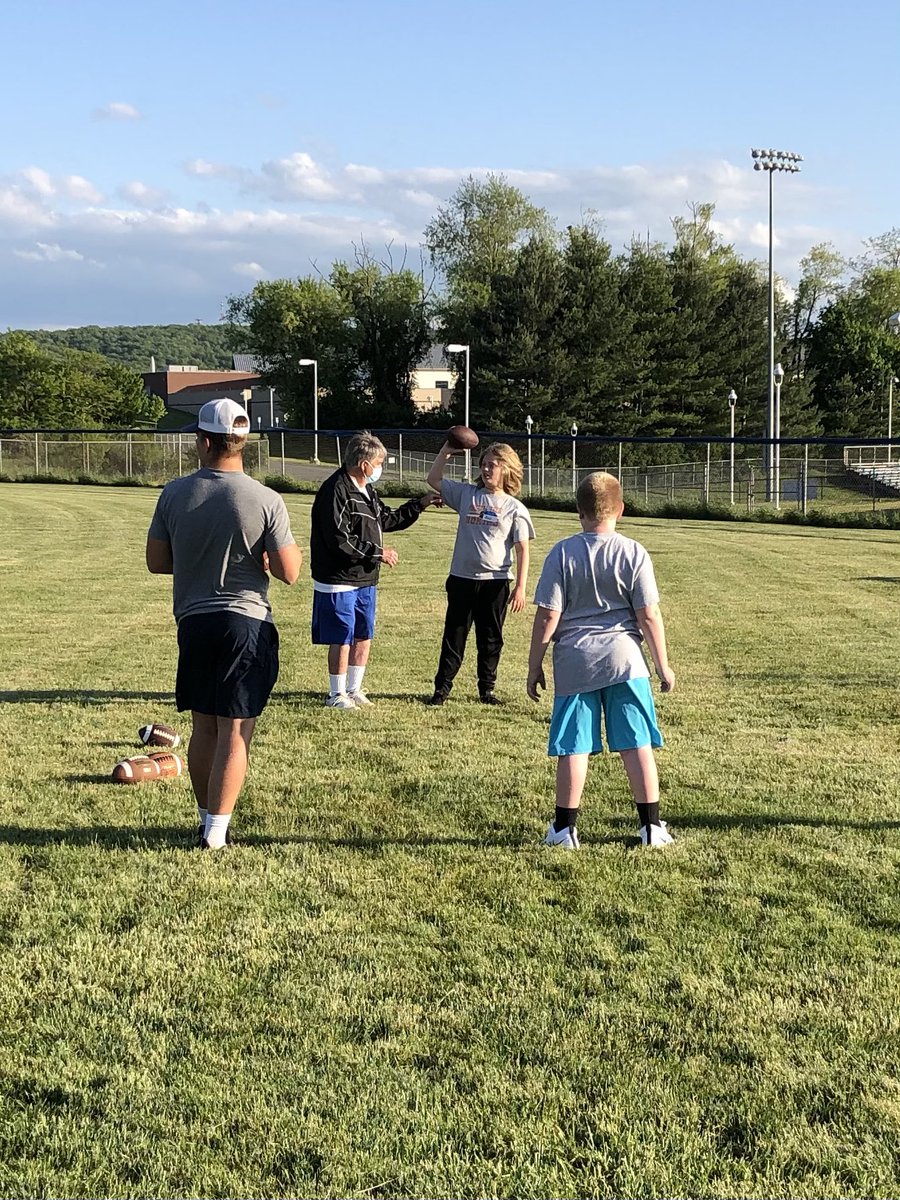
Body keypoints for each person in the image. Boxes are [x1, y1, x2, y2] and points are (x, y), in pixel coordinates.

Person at [146, 397, 302, 850]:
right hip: (247, 623)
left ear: (203, 440)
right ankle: (216, 833)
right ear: (242, 441)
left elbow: (157, 562)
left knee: (205, 727)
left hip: (194, 622)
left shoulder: (174, 493)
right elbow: (291, 572)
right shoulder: (266, 498)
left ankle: (205, 819)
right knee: (236, 729)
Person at [526, 471, 675, 849]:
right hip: (626, 660)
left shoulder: (562, 552)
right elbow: (648, 615)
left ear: (578, 511)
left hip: (575, 660)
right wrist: (662, 664)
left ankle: (563, 830)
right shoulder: (634, 552)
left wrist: (534, 664)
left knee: (573, 747)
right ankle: (652, 828)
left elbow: (548, 615)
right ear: (620, 509)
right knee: (636, 743)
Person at [310, 431, 440, 708]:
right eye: (379, 462)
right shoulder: (335, 490)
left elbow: (387, 520)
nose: (380, 468)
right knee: (341, 636)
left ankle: (354, 689)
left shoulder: (368, 490)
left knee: (363, 633)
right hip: (338, 578)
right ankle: (336, 693)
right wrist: (378, 553)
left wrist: (420, 504)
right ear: (364, 464)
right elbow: (338, 539)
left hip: (365, 578)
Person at [425, 441, 535, 705]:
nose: (486, 469)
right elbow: (434, 479)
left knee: (490, 639)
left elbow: (522, 551)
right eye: (483, 464)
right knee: (455, 635)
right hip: (462, 579)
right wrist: (445, 452)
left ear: (506, 470)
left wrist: (520, 587)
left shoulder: (514, 508)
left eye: (492, 465)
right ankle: (442, 689)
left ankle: (487, 690)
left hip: (495, 583)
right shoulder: (467, 494)